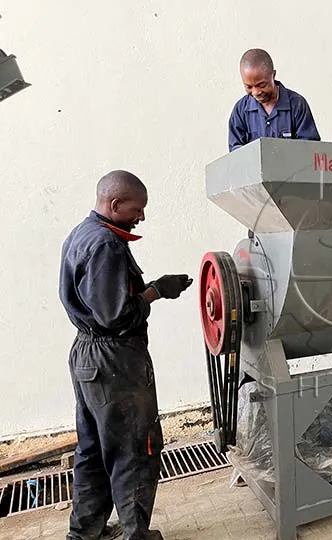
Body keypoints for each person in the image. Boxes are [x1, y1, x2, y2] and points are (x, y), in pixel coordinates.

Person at [59, 170, 193, 540]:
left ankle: (85, 532)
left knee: (93, 448)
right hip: (114, 361)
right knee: (134, 448)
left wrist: (150, 288)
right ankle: (136, 535)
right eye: (138, 208)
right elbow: (118, 316)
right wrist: (156, 292)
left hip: (88, 356)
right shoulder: (106, 245)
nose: (142, 217)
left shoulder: (81, 233)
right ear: (115, 204)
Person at [228, 48, 321, 152]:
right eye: (249, 87)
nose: (256, 92)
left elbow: (310, 150)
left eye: (262, 85)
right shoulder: (240, 111)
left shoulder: (297, 105)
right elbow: (235, 153)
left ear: (273, 75)